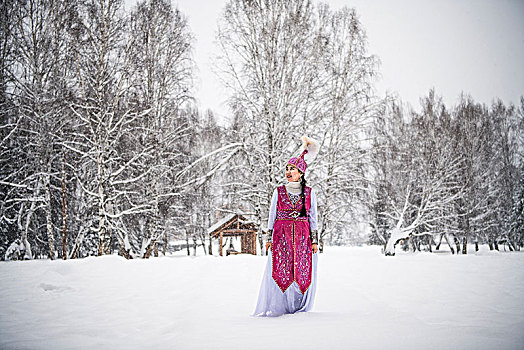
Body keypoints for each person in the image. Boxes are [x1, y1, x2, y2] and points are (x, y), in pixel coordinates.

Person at [253, 136, 319, 317]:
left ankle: (297, 306)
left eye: (293, 169)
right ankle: (280, 306)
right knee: (282, 268)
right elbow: (271, 215)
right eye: (287, 169)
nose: (288, 172)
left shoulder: (309, 192)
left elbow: (313, 218)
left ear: (301, 172)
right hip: (281, 235)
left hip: (303, 237)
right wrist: (268, 237)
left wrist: (315, 241)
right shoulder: (279, 191)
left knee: (300, 269)